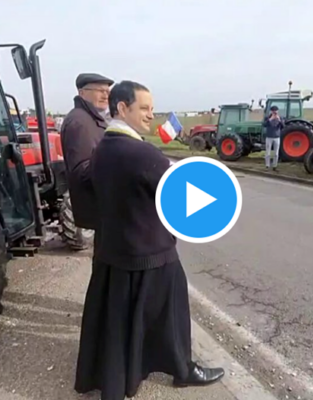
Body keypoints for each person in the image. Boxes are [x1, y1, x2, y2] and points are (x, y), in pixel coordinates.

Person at [74, 80, 225, 400]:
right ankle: (184, 370)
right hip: (152, 253)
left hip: (116, 251)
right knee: (173, 317)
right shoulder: (141, 152)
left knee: (121, 324)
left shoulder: (104, 147)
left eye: (152, 109)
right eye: (143, 108)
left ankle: (122, 378)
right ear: (122, 108)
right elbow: (183, 198)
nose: (150, 115)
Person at [60, 73, 114, 238]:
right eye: (99, 90)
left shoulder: (91, 119)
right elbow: (82, 170)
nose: (105, 95)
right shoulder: (80, 123)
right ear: (82, 93)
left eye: (107, 90)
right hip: (99, 205)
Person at [263, 105, 285, 171]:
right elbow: (264, 125)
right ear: (271, 111)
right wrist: (270, 119)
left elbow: (283, 126)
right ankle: (267, 165)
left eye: (276, 111)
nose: (275, 112)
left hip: (277, 137)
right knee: (268, 152)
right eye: (273, 111)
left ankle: (275, 165)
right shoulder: (267, 117)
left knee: (276, 153)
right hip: (269, 136)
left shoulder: (280, 118)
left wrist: (279, 120)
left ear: (278, 111)